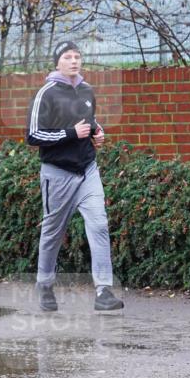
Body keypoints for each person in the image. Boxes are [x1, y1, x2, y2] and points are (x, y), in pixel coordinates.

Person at [26, 40, 124, 312]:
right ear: (57, 62)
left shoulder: (86, 90)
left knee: (99, 225)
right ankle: (45, 285)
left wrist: (97, 132)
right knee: (52, 233)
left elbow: (89, 121)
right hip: (58, 174)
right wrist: (71, 134)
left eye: (77, 56)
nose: (74, 61)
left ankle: (103, 291)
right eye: (67, 57)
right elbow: (33, 135)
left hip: (88, 171)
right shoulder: (46, 94)